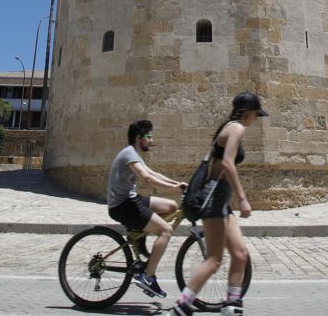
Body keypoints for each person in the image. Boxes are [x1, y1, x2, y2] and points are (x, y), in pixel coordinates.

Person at [169, 92, 268, 316]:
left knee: (240, 254)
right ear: (248, 112)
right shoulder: (237, 128)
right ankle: (181, 306)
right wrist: (242, 198)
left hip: (221, 199)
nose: (256, 119)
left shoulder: (229, 127)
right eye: (255, 115)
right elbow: (227, 163)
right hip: (214, 198)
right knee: (214, 260)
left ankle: (232, 306)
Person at [107, 119, 187, 299]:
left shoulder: (133, 153)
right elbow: (147, 179)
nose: (151, 141)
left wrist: (178, 184)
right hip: (122, 206)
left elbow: (153, 173)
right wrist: (174, 189)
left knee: (172, 206)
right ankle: (147, 276)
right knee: (166, 230)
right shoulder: (129, 154)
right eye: (149, 137)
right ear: (138, 137)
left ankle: (138, 234)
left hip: (132, 199)